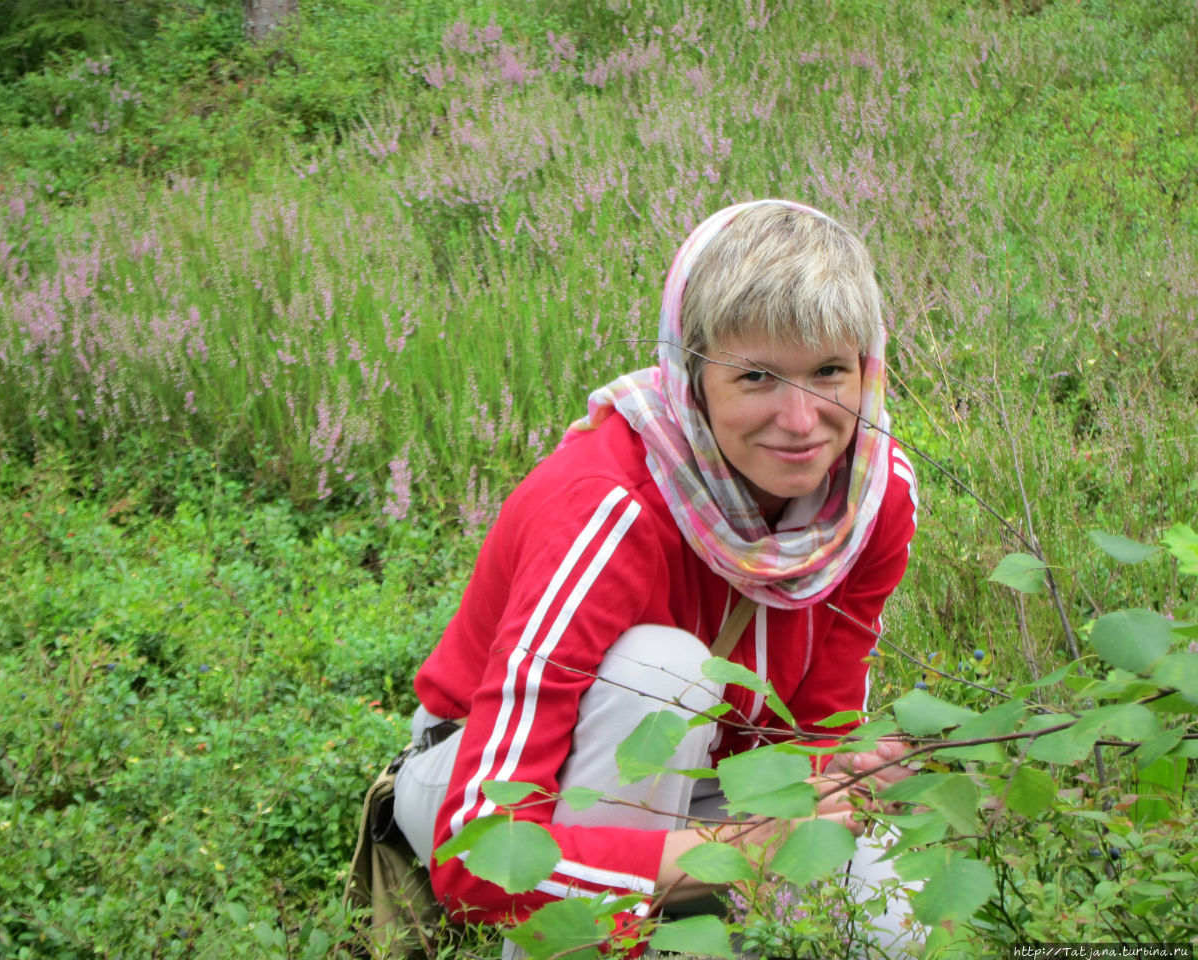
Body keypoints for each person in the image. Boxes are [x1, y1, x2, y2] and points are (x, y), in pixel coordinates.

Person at [391, 200, 920, 949]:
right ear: (691, 375)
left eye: (830, 371)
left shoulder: (870, 496)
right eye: (758, 377)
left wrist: (848, 776)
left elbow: (817, 729)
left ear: (870, 370)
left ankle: (670, 898)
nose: (802, 422)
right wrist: (731, 856)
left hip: (719, 795)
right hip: (486, 790)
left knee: (895, 919)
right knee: (663, 671)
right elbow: (484, 856)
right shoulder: (609, 505)